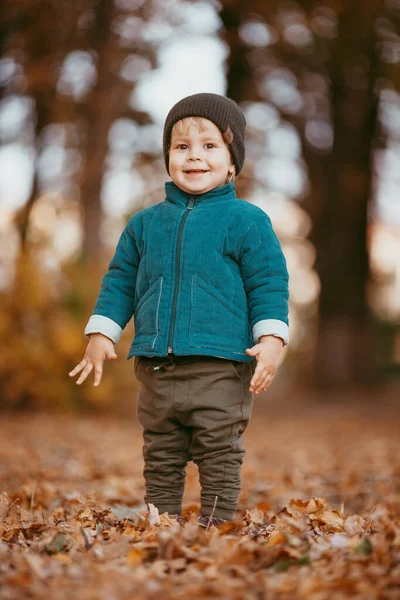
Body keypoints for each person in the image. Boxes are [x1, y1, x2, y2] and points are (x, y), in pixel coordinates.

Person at [69, 93, 289, 527]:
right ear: (168, 156)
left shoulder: (246, 220)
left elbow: (268, 282)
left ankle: (215, 526)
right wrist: (101, 333)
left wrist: (271, 338)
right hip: (155, 367)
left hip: (220, 365)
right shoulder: (144, 224)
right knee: (161, 453)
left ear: (231, 162)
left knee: (219, 450)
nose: (194, 156)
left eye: (209, 146)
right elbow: (120, 281)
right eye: (181, 146)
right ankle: (162, 524)